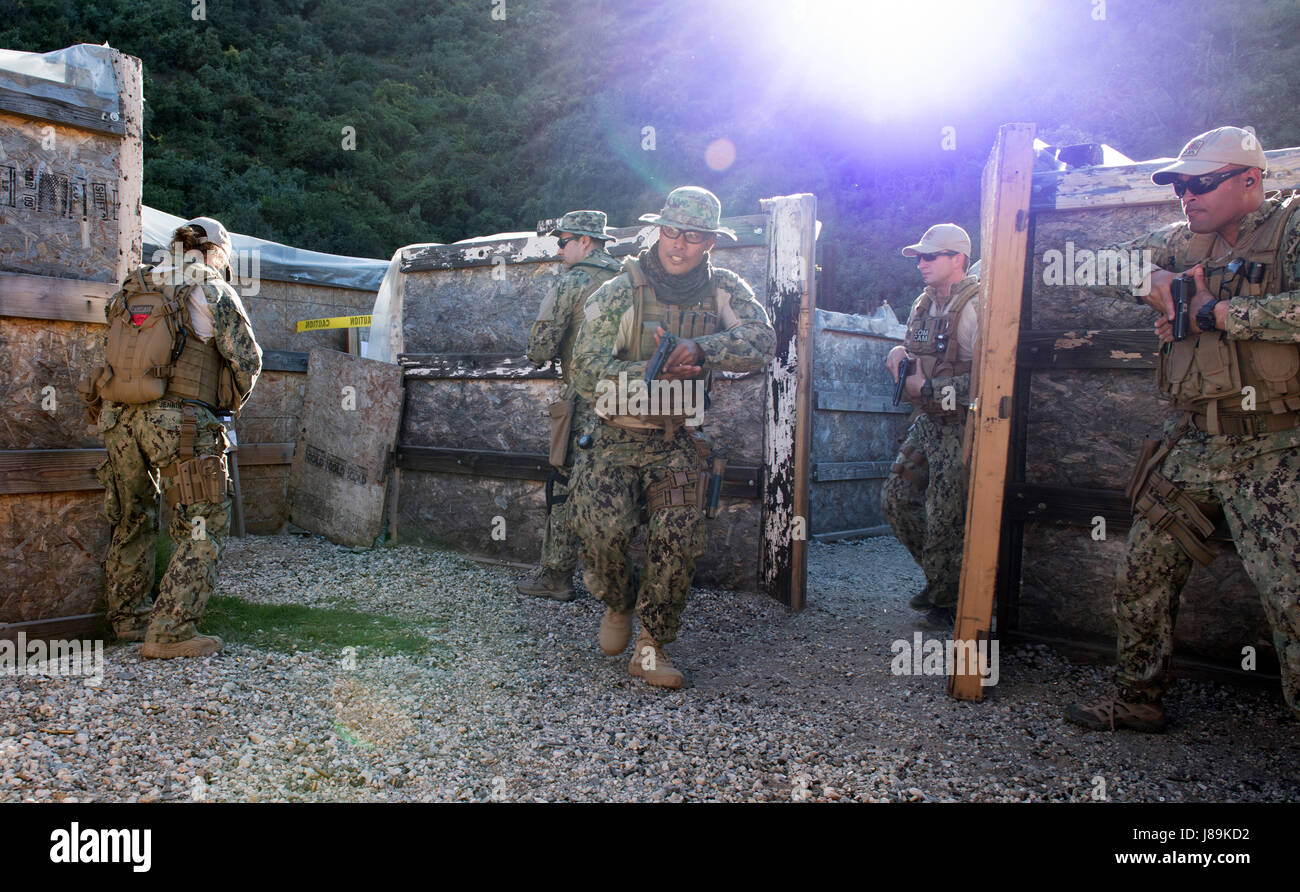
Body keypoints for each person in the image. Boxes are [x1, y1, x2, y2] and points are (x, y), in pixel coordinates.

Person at [1065, 126, 1300, 731]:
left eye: (1201, 184)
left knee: (1291, 599)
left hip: (1276, 445)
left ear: (1250, 180)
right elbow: (1089, 263)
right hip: (1195, 440)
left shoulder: (1292, 229)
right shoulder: (1181, 241)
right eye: (1179, 187)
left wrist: (1221, 312)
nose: (1186, 197)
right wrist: (1152, 281)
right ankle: (1137, 698)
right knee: (1142, 570)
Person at [569, 187, 775, 688]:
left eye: (695, 236)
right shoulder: (620, 289)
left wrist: (700, 350)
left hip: (676, 440)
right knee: (601, 533)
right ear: (659, 230)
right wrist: (650, 373)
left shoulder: (723, 288)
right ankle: (618, 602)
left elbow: (763, 341)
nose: (680, 245)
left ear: (710, 242)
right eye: (672, 232)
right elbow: (582, 369)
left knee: (677, 540)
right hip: (616, 436)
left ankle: (651, 646)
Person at [84, 217, 262, 658]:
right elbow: (248, 358)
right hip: (180, 426)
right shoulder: (211, 288)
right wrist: (225, 404)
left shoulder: (132, 285)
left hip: (118, 420)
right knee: (203, 523)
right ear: (216, 251)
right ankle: (171, 631)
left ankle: (129, 618)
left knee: (132, 516)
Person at [516, 211, 622, 601]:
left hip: (586, 403)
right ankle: (617, 584)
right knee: (620, 489)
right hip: (635, 404)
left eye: (563, 241)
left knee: (564, 485)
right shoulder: (631, 279)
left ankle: (556, 576)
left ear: (585, 242)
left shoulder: (573, 282)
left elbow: (539, 348)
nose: (558, 249)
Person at [880, 224, 980, 631]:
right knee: (896, 499)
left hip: (962, 426)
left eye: (931, 256)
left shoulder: (977, 307)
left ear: (958, 259)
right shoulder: (923, 304)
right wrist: (898, 355)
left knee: (944, 517)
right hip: (928, 423)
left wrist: (931, 387)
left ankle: (950, 599)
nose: (921, 263)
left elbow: (990, 381)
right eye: (919, 257)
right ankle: (946, 583)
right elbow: (917, 356)